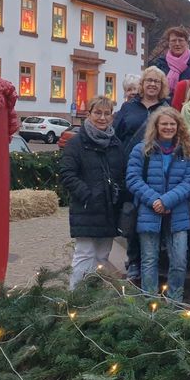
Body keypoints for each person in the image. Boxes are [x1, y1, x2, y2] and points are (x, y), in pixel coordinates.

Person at [126, 107, 190, 299]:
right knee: (149, 260)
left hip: (177, 212)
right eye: (164, 123)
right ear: (156, 126)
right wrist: (155, 200)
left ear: (178, 126)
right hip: (149, 212)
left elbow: (189, 181)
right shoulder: (141, 149)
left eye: (172, 124)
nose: (168, 127)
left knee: (179, 261)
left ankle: (175, 302)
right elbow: (133, 179)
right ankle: (150, 302)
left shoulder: (185, 151)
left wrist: (166, 201)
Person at [60, 96, 125, 289]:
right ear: (89, 114)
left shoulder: (115, 144)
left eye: (107, 113)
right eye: (97, 113)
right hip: (87, 208)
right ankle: (75, 296)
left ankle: (93, 295)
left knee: (102, 257)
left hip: (109, 210)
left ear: (112, 117)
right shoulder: (76, 143)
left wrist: (119, 193)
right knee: (84, 254)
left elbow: (122, 172)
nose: (102, 118)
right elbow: (67, 174)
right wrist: (87, 195)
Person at [112, 66, 170, 283]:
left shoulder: (166, 108)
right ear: (142, 84)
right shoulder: (128, 108)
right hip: (132, 170)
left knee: (156, 218)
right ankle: (134, 260)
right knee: (133, 217)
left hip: (158, 171)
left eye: (157, 81)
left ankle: (156, 262)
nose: (152, 84)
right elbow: (116, 137)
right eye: (149, 81)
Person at [151, 27, 190, 97]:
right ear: (169, 43)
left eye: (180, 40)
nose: (177, 44)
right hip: (165, 101)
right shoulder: (160, 64)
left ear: (186, 42)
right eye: (173, 40)